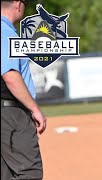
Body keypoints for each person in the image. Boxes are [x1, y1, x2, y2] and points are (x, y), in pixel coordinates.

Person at [1, 0, 47, 179]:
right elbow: (10, 75)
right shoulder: (5, 32)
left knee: (7, 174)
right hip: (11, 113)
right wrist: (34, 108)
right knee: (29, 173)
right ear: (18, 4)